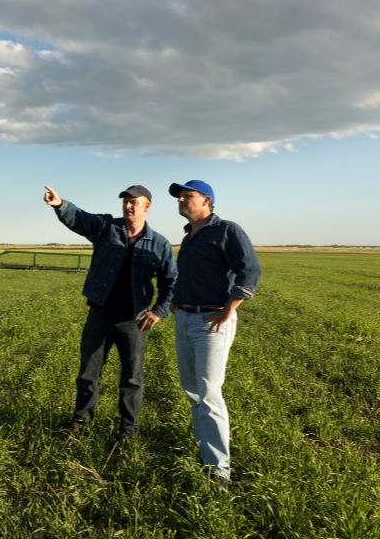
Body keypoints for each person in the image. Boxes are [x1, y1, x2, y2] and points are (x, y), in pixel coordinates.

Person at [44, 184, 177, 440]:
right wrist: (60, 205)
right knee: (88, 372)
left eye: (134, 202)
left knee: (132, 378)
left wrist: (158, 311)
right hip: (100, 314)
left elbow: (171, 282)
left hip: (134, 321)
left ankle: (128, 428)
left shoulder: (160, 244)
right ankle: (80, 420)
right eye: (125, 201)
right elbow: (80, 219)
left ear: (147, 206)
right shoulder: (107, 228)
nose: (128, 206)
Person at [168, 180, 261, 489]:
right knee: (192, 390)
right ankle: (204, 448)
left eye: (187, 195)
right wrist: (176, 301)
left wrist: (229, 308)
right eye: (179, 196)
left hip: (211, 321)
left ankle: (219, 468)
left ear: (207, 200)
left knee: (209, 392)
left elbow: (250, 270)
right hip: (185, 318)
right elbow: (187, 275)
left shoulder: (227, 230)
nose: (181, 200)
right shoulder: (189, 236)